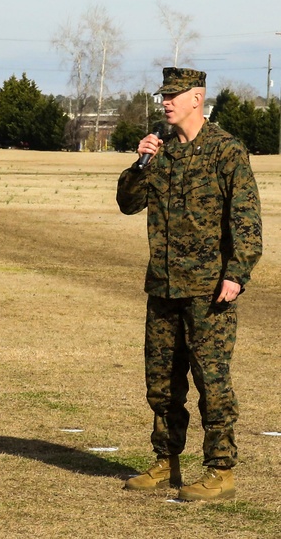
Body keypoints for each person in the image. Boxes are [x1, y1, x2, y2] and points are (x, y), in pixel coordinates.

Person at [116, 67, 262, 501]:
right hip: (162, 286)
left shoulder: (226, 151)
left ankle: (220, 471)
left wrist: (236, 273)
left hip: (207, 289)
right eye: (163, 96)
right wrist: (139, 164)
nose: (165, 102)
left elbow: (247, 221)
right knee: (161, 383)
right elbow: (127, 203)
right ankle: (167, 462)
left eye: (173, 96)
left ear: (196, 98)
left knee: (211, 381)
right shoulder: (158, 151)